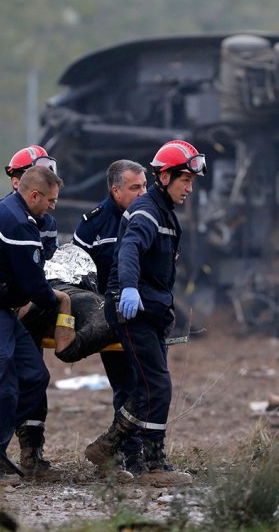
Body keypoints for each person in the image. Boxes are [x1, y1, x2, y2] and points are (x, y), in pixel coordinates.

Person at [85, 140, 206, 487]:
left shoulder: (163, 211)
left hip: (152, 311)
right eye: (185, 180)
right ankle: (153, 464)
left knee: (144, 387)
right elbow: (130, 250)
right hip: (132, 310)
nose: (190, 188)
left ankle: (109, 445)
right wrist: (128, 288)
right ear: (165, 177)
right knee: (158, 385)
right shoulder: (147, 212)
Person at [0, 166, 72, 478]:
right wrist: (62, 303)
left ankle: (1, 448)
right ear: (33, 195)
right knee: (1, 385)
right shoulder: (18, 223)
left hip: (4, 309)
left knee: (35, 375)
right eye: (50, 200)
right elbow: (33, 285)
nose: (53, 206)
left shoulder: (6, 210)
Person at [73, 160, 147, 476]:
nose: (143, 192)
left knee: (151, 386)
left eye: (145, 186)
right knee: (125, 386)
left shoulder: (152, 216)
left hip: (146, 315)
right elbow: (76, 275)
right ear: (115, 190)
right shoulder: (92, 225)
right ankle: (129, 458)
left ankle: (145, 456)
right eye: (135, 187)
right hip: (111, 319)